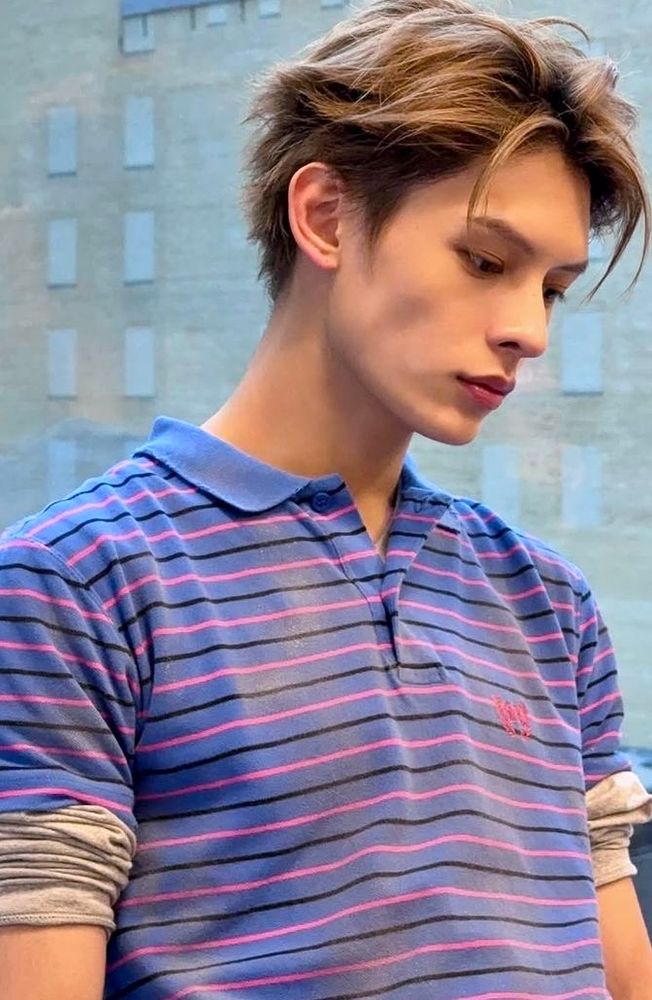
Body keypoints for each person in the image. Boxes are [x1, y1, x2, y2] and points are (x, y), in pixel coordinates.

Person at [1, 0, 652, 997]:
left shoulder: (548, 604)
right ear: (325, 216)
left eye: (551, 287)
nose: (529, 328)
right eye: (485, 261)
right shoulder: (75, 587)